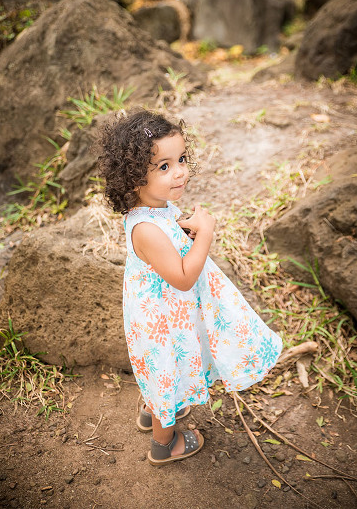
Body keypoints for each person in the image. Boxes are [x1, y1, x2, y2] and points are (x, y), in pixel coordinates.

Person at [96, 110, 283, 465]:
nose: (179, 171)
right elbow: (183, 277)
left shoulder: (155, 208)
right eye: (163, 166)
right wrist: (206, 233)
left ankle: (153, 412)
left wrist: (183, 232)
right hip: (162, 322)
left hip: (168, 312)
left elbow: (170, 254)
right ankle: (163, 444)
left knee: (163, 374)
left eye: (181, 159)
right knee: (166, 372)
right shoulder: (145, 228)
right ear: (134, 176)